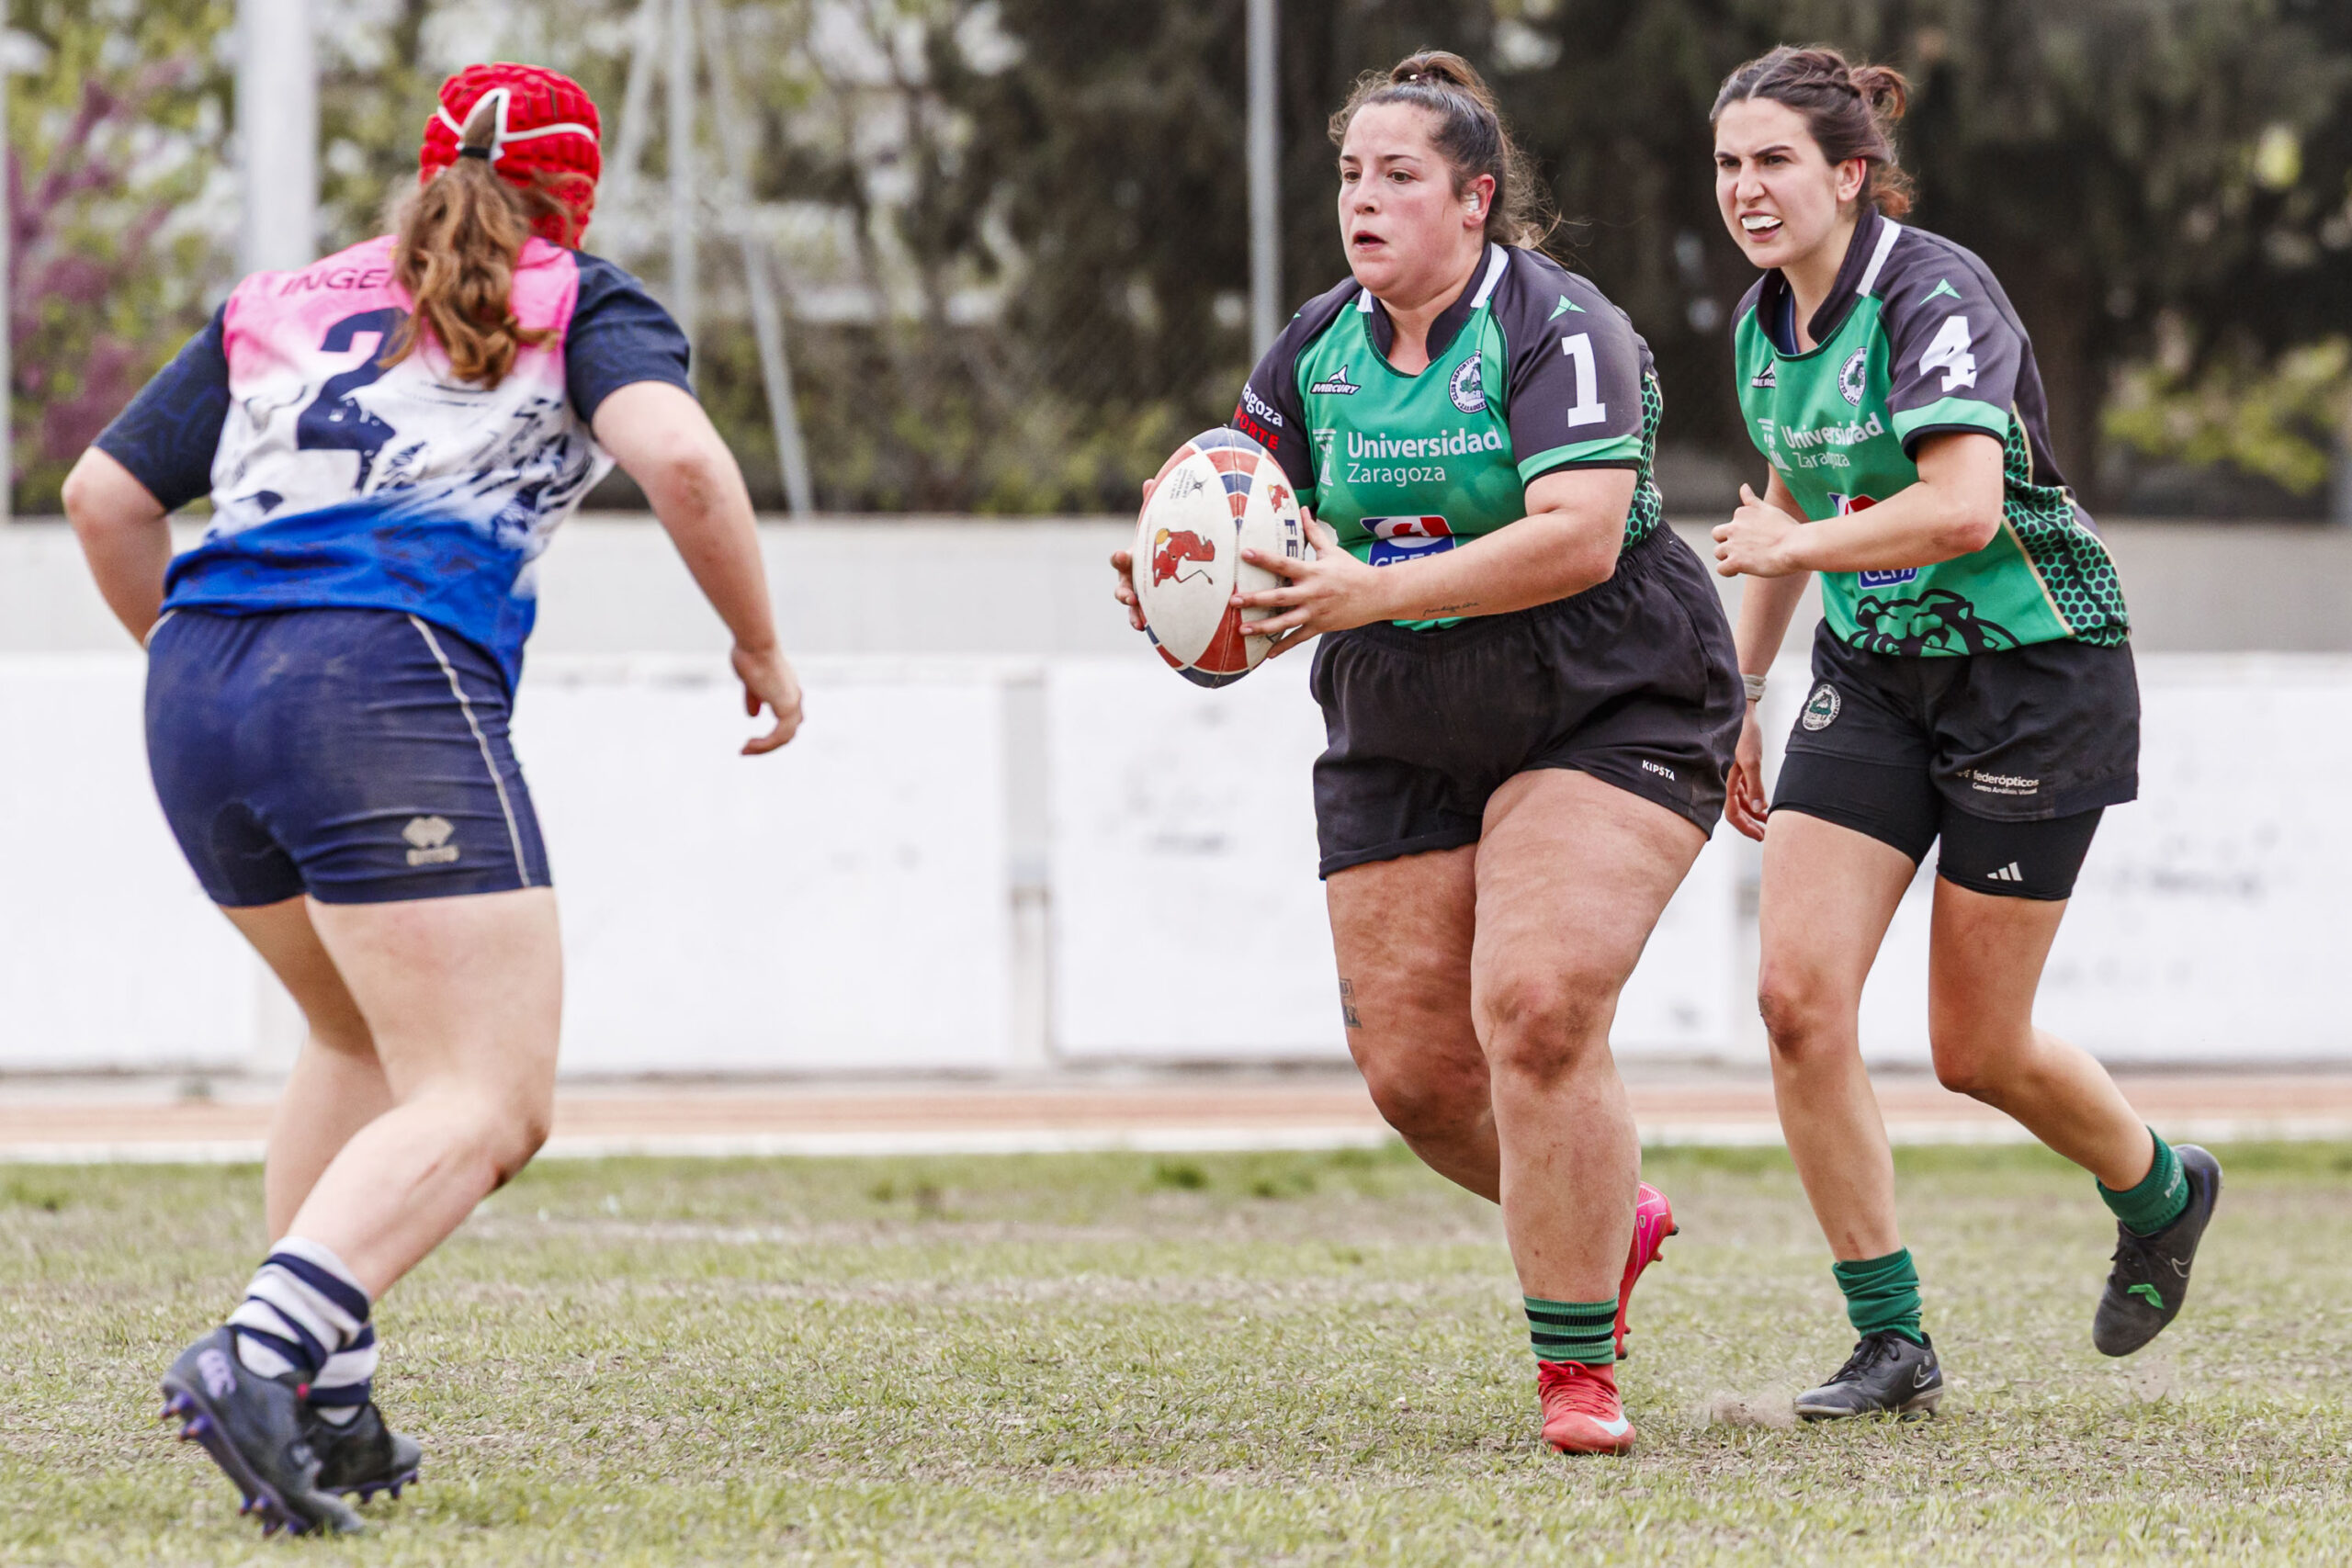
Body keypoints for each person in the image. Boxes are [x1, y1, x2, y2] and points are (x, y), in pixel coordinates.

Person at [62, 63, 801, 1534]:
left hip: (197, 681)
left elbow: (105, 497)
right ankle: (262, 1357)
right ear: (575, 197)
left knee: (350, 1034)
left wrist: (223, 666)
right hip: (381, 669)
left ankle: (329, 1403)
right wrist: (762, 644)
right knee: (489, 1098)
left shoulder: (275, 296)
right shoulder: (579, 294)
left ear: (423, 167)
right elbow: (682, 461)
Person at [1114, 51, 1739, 1455]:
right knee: (1416, 1077)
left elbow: (1577, 534)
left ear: (1475, 201)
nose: (1365, 200)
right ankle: (1610, 1218)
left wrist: (1366, 590)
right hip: (1401, 701)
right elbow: (1258, 517)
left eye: (1400, 176)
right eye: (1350, 174)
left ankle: (1575, 1369)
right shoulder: (1315, 349)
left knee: (1536, 1008)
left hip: (1606, 679)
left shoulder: (1561, 326)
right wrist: (1193, 581)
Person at [1707, 45, 2220, 1421]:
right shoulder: (1765, 326)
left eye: (1774, 162)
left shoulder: (1936, 291)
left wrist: (1796, 538)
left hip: (2035, 671)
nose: (1745, 190)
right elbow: (1786, 500)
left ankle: (2164, 1188)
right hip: (1873, 677)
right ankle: (1892, 1339)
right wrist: (1741, 694)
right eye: (1727, 165)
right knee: (1796, 1001)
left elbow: (1964, 509)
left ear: (1850, 173)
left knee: (1975, 1049)